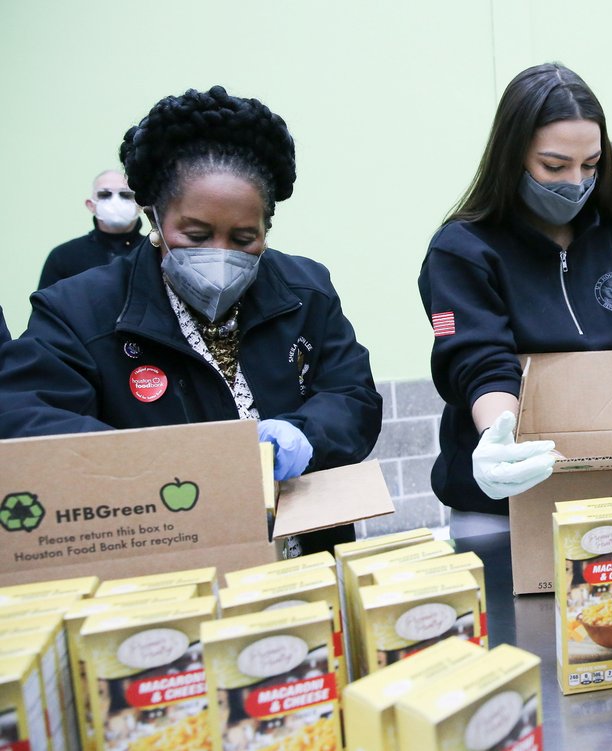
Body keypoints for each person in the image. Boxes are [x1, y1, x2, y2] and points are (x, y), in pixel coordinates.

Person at [0, 85, 382, 555]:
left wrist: (305, 432)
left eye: (245, 237)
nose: (220, 256)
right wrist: (167, 465)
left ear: (267, 227)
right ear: (155, 219)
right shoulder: (80, 310)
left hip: (306, 554)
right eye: (195, 235)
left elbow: (353, 397)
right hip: (166, 558)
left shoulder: (305, 289)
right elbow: (23, 418)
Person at [419, 63, 612, 536]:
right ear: (512, 154)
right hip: (497, 506)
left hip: (599, 492)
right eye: (555, 166)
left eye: (591, 164)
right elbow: (480, 359)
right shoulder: (462, 250)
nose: (576, 181)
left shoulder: (611, 237)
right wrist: (499, 441)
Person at [38, 170, 145, 289]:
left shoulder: (155, 252)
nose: (116, 202)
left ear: (140, 204)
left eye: (126, 195)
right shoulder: (63, 256)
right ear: (91, 205)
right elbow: (44, 306)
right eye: (105, 195)